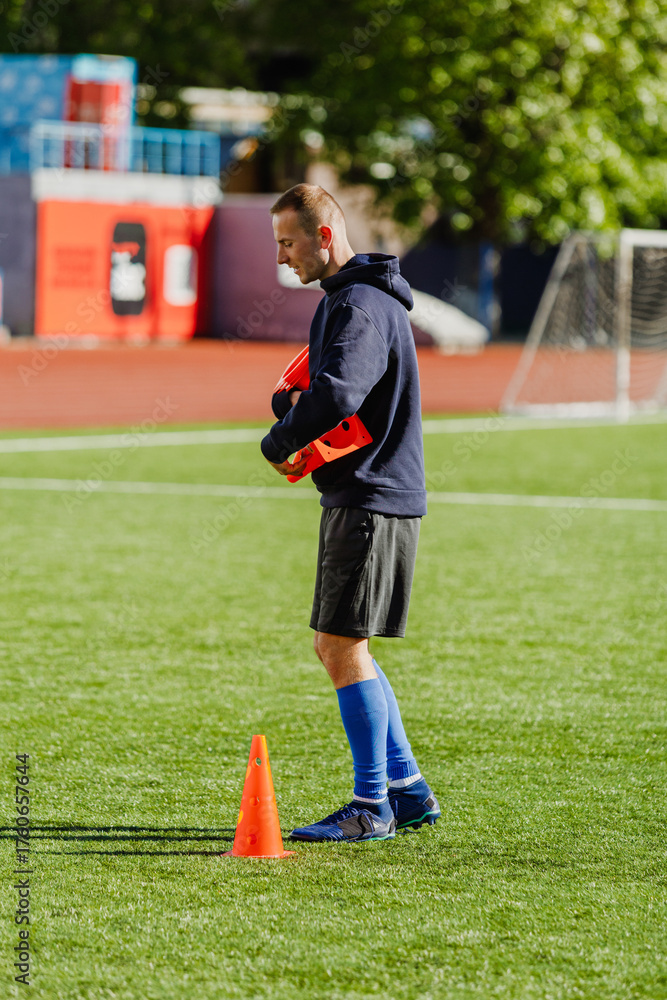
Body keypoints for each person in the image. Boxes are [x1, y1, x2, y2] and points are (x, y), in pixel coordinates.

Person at [261, 183, 440, 843]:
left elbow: (338, 391)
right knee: (343, 644)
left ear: (324, 235)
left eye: (287, 241)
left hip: (370, 496)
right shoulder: (356, 298)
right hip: (369, 493)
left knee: (338, 645)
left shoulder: (358, 302)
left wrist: (278, 439)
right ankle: (408, 790)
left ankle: (372, 807)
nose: (281, 256)